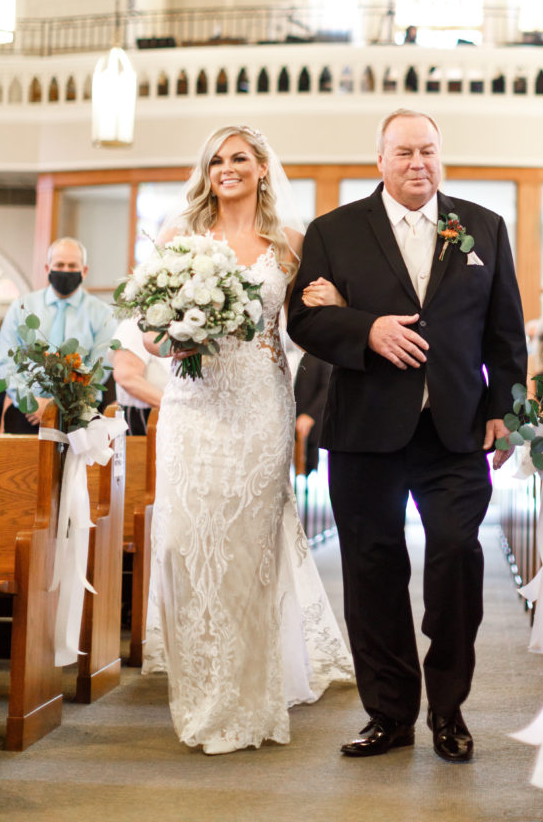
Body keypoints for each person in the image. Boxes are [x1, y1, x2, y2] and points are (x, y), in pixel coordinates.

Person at [287, 108, 527, 762]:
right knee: (372, 571)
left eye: (426, 151)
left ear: (439, 155)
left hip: (454, 428)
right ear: (380, 160)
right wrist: (364, 329)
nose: (416, 163)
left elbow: (505, 332)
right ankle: (388, 714)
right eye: (403, 153)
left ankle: (447, 710)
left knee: (454, 557)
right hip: (364, 427)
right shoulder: (333, 232)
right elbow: (303, 325)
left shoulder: (481, 227)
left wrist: (506, 405)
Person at [140, 124, 353, 755]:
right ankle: (202, 685)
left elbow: (309, 326)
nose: (226, 169)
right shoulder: (180, 240)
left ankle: (246, 702)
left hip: (259, 402)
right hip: (192, 403)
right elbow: (150, 333)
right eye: (216, 161)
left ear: (261, 168)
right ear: (206, 173)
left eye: (239, 158)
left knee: (245, 552)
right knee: (184, 543)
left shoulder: (289, 245)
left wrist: (335, 301)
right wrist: (172, 332)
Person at [0, 237, 115, 434]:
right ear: (47, 269)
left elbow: (100, 368)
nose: (66, 270)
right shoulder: (22, 307)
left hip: (78, 415)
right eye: (60, 264)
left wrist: (62, 405)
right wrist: (31, 402)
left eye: (72, 265)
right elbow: (5, 360)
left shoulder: (102, 314)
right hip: (26, 411)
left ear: (84, 271)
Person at [111, 316, 171, 434]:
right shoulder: (135, 325)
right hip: (145, 419)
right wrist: (172, 406)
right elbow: (126, 377)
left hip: (174, 415)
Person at [294, 351, 332, 476]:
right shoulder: (305, 356)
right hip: (297, 421)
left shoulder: (322, 355)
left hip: (314, 423)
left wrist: (309, 415)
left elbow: (327, 388)